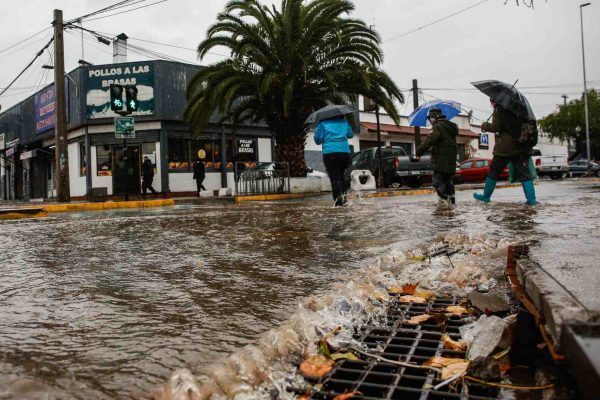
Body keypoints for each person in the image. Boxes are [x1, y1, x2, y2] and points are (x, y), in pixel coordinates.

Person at [473, 100, 539, 205]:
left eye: (491, 103)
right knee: (525, 174)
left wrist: (484, 125)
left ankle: (486, 197)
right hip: (522, 146)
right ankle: (532, 200)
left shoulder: (500, 108)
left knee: (493, 172)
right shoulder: (520, 108)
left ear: (494, 100)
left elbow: (496, 127)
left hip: (505, 148)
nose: (492, 105)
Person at [415, 108, 458, 205]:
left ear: (433, 117)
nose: (430, 121)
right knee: (448, 181)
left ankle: (445, 200)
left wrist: (418, 152)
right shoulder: (450, 126)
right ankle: (451, 202)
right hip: (451, 159)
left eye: (430, 118)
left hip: (440, 159)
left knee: (437, 181)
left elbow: (429, 141)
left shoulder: (438, 127)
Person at [314, 116, 354, 206]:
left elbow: (317, 140)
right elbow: (350, 135)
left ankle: (338, 203)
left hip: (330, 152)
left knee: (334, 178)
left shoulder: (322, 123)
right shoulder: (344, 122)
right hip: (344, 152)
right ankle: (344, 199)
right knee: (342, 176)